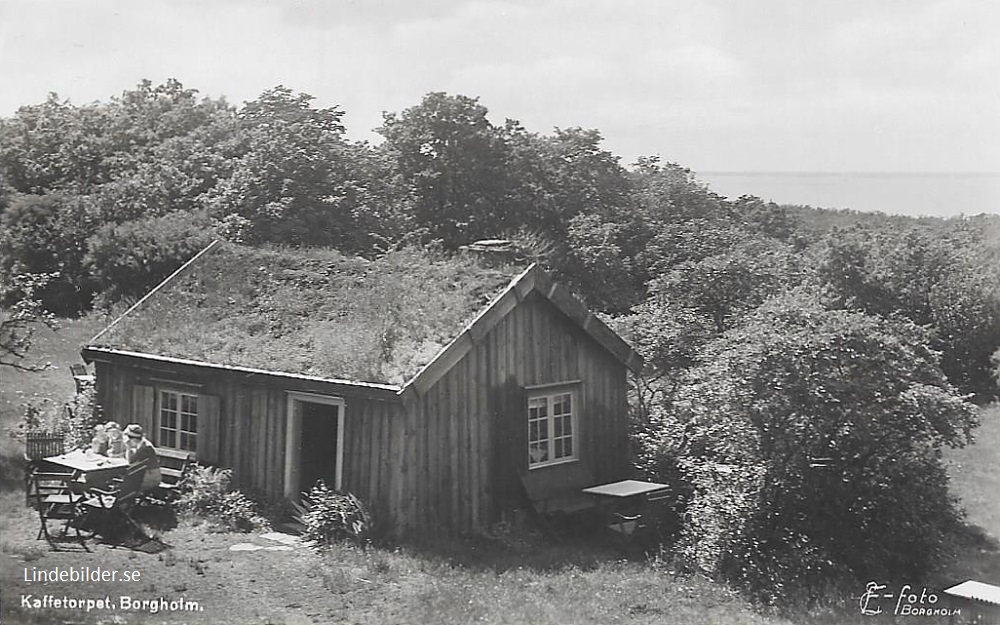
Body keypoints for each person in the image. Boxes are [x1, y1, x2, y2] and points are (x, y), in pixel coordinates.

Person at [123, 424, 162, 492]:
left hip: (151, 477)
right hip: (145, 475)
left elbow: (130, 462)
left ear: (132, 438)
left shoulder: (146, 448)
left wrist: (128, 448)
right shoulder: (141, 444)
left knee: (127, 486)